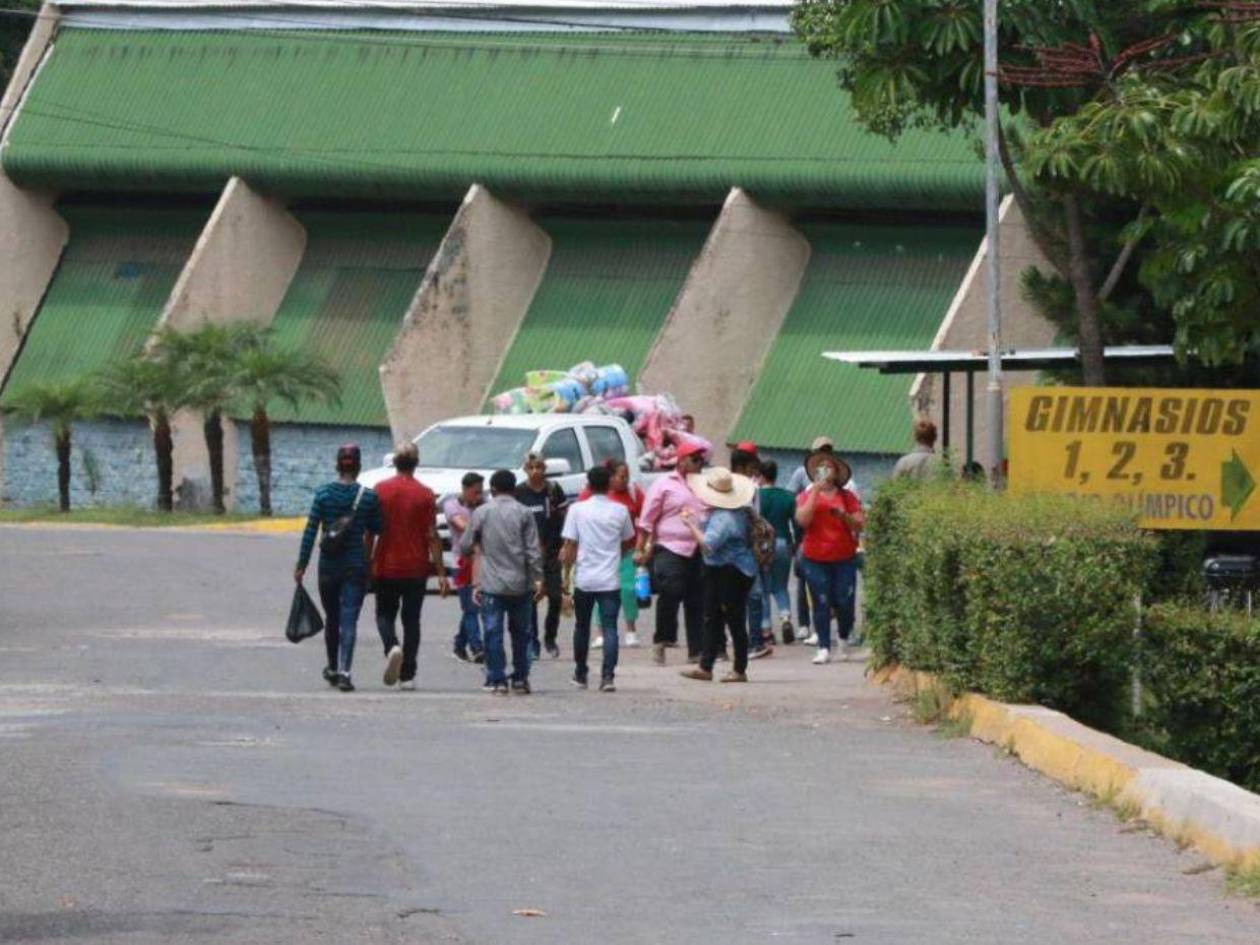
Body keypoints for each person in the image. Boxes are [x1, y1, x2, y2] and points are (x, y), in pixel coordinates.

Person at [294, 444, 382, 692]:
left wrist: (302, 564)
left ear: (337, 463)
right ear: (359, 465)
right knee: (349, 619)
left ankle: (332, 667)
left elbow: (311, 531)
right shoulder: (368, 497)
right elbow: (377, 529)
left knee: (332, 618)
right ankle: (344, 671)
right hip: (355, 565)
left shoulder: (323, 494)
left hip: (328, 567)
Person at [372, 442, 449, 691]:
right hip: (416, 566)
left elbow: (371, 531)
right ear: (416, 464)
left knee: (384, 614)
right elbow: (432, 534)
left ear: (395, 463)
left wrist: (366, 562)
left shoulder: (380, 490)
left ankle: (391, 646)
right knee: (412, 620)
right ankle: (408, 675)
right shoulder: (426, 494)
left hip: (386, 563)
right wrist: (440, 572)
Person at [460, 469, 543, 695]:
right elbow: (533, 550)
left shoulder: (481, 512)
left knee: (492, 632)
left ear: (493, 489)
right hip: (520, 584)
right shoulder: (525, 513)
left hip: (491, 584)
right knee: (521, 634)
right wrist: (538, 579)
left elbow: (465, 544)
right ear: (514, 489)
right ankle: (520, 678)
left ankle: (496, 679)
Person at [678, 467, 759, 684]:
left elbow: (708, 545)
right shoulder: (736, 512)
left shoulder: (724, 518)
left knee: (733, 619)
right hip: (725, 570)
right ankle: (706, 665)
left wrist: (689, 525)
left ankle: (739, 669)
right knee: (712, 618)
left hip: (730, 571)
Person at [562, 466, 635, 692]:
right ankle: (607, 677)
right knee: (611, 627)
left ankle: (581, 672)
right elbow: (628, 541)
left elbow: (570, 545)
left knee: (582, 627)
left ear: (588, 484)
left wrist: (566, 578)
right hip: (610, 579)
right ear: (610, 484)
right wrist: (615, 556)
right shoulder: (620, 511)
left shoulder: (577, 510)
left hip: (585, 578)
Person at [636, 440, 709, 666]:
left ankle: (696, 650)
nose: (699, 464)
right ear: (682, 460)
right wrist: (641, 548)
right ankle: (663, 639)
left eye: (701, 460)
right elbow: (647, 520)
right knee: (671, 590)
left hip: (698, 547)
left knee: (696, 599)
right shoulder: (664, 483)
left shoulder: (704, 485)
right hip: (669, 546)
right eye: (695, 459)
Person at [795, 449, 864, 665]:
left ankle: (843, 638)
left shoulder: (847, 497)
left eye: (829, 467)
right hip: (815, 557)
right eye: (820, 467)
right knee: (820, 601)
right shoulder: (806, 495)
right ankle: (823, 646)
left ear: (836, 472)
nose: (824, 471)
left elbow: (860, 523)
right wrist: (815, 490)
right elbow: (802, 521)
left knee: (844, 600)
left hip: (843, 556)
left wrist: (843, 516)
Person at [577, 459, 645, 649]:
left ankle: (631, 629)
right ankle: (600, 632)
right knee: (601, 591)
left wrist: (641, 547)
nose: (625, 481)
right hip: (601, 553)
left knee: (628, 590)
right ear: (610, 477)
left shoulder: (633, 493)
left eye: (627, 477)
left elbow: (645, 519)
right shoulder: (591, 494)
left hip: (627, 550)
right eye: (621, 476)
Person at [515, 452, 567, 660]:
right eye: (531, 467)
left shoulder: (553, 490)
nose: (535, 471)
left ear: (544, 469)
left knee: (555, 596)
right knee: (532, 600)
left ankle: (550, 638)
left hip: (553, 551)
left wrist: (565, 544)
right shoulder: (519, 493)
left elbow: (564, 517)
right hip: (529, 554)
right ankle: (532, 642)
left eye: (539, 467)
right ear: (526, 469)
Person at [749, 459, 797, 650]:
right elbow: (796, 522)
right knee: (780, 585)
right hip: (783, 542)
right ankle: (785, 617)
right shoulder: (788, 496)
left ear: (760, 475)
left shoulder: (756, 495)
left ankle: (766, 630)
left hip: (762, 545)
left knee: (762, 588)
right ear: (776, 475)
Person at [444, 472, 485, 663]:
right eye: (475, 492)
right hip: (461, 562)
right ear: (466, 490)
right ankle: (477, 647)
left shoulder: (483, 505)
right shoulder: (452, 505)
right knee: (470, 608)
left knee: (472, 607)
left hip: (479, 561)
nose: (479, 496)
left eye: (481, 493)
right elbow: (463, 527)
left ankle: (459, 644)